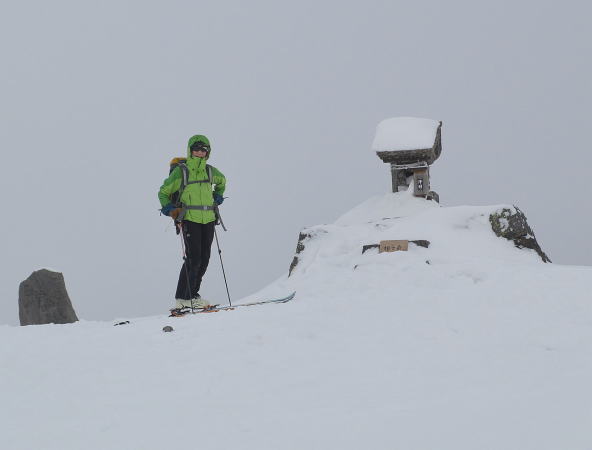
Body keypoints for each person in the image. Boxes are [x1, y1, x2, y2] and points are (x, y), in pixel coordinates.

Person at [158, 134, 226, 309]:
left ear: (208, 152)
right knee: (193, 258)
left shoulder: (210, 171)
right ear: (190, 150)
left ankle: (191, 296)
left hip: (209, 219)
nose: (200, 152)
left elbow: (222, 181)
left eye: (204, 149)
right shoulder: (182, 172)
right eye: (196, 149)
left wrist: (217, 197)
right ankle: (183, 297)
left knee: (204, 258)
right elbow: (163, 192)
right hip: (190, 219)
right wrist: (170, 210)